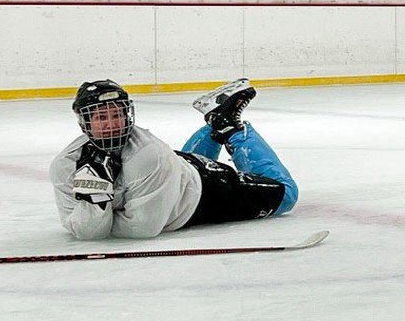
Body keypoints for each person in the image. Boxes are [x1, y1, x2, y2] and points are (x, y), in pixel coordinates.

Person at [50, 78, 298, 240]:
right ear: (85, 122)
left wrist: (96, 210)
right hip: (175, 172)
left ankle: (230, 127)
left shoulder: (149, 155)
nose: (112, 125)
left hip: (205, 192)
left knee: (286, 195)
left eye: (117, 115)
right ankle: (217, 122)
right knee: (178, 167)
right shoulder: (65, 165)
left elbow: (142, 229)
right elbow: (82, 232)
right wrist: (97, 199)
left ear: (128, 116)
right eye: (101, 118)